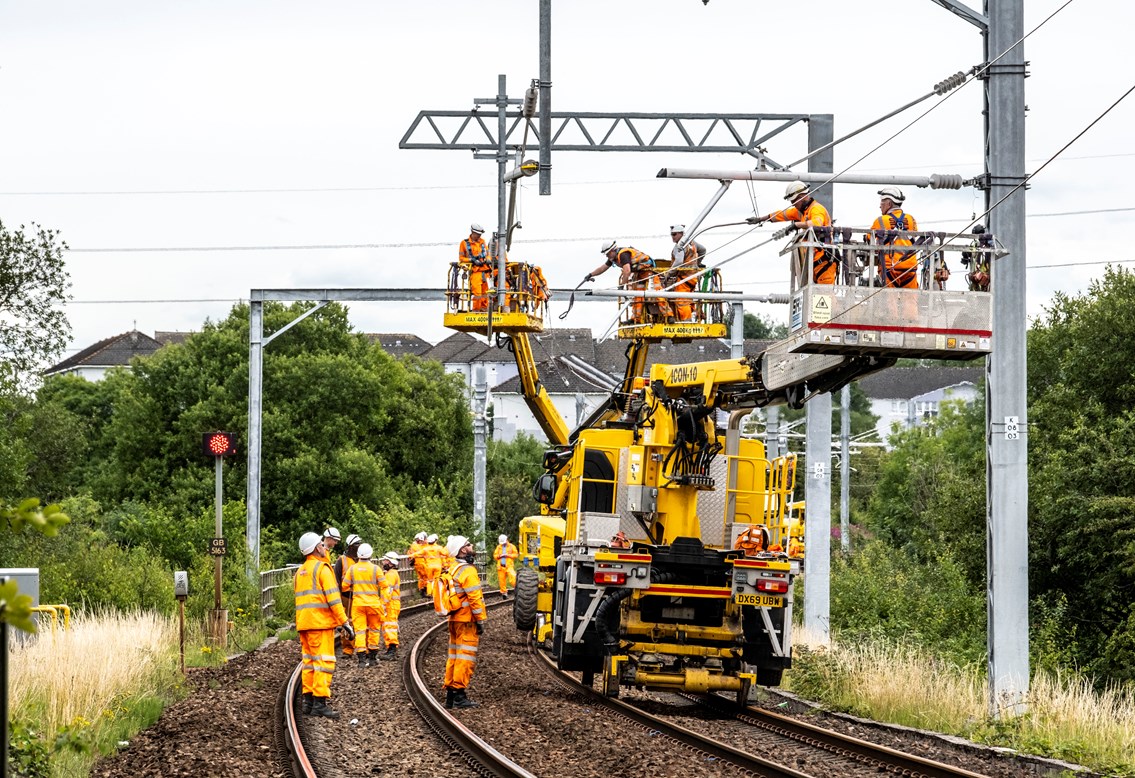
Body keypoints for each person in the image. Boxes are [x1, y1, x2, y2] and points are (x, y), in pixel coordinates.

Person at [294, 531, 352, 719]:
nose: (323, 546)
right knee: (323, 663)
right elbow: (334, 600)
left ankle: (308, 702)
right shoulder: (322, 569)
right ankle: (319, 703)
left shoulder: (300, 572)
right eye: (321, 544)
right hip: (320, 624)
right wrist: (345, 622)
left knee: (309, 663)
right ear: (317, 547)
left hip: (304, 624)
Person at [748, 182, 836, 285]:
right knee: (816, 297)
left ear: (802, 197)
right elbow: (782, 214)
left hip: (824, 262)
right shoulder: (802, 212)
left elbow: (817, 223)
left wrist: (796, 225)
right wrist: (761, 219)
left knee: (825, 297)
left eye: (794, 201)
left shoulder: (816, 209)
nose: (793, 204)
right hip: (813, 263)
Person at [441, 535, 486, 709]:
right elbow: (475, 598)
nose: (471, 545)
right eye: (468, 544)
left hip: (454, 619)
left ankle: (451, 694)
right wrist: (480, 619)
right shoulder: (467, 570)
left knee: (454, 656)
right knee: (465, 657)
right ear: (462, 550)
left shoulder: (452, 568)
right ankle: (459, 694)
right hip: (467, 620)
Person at [584, 241, 673, 324]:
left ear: (613, 250)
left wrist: (621, 286)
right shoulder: (614, 257)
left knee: (657, 293)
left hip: (649, 271)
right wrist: (591, 274)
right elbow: (602, 268)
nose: (607, 256)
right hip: (640, 273)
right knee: (638, 296)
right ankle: (636, 319)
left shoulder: (623, 254)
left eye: (608, 254)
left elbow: (627, 271)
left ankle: (669, 316)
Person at [868, 187, 919, 289]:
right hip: (910, 268)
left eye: (882, 202)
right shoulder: (911, 219)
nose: (879, 206)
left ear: (889, 204)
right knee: (911, 302)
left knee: (889, 303)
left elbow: (869, 239)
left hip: (890, 268)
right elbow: (915, 235)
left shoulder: (881, 220)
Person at [342, 543, 383, 668]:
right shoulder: (376, 569)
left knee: (359, 631)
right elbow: (384, 585)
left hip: (358, 605)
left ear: (358, 555)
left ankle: (361, 660)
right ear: (370, 554)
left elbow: (344, 586)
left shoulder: (352, 569)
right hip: (374, 605)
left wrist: (354, 586)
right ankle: (372, 658)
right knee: (374, 630)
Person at [334, 534, 362, 658]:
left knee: (361, 624)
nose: (359, 546)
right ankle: (348, 649)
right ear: (350, 546)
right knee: (348, 623)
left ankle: (363, 649)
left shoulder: (362, 559)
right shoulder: (342, 560)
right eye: (357, 544)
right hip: (346, 598)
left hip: (360, 596)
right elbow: (336, 581)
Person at [667, 224, 703, 322]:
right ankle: (690, 318)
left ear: (682, 234)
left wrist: (669, 273)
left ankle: (686, 322)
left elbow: (678, 261)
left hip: (684, 277)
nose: (672, 237)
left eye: (674, 234)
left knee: (681, 301)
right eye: (671, 235)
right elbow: (703, 250)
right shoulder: (692, 243)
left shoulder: (680, 246)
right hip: (693, 277)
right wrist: (696, 265)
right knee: (688, 299)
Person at [458, 223, 492, 312]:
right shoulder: (464, 243)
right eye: (478, 234)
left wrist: (487, 259)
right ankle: (476, 310)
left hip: (485, 271)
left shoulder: (482, 242)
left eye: (480, 234)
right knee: (477, 292)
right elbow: (461, 259)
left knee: (486, 292)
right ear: (472, 232)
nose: (479, 236)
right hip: (475, 271)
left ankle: (484, 310)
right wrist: (471, 260)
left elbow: (488, 254)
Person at [378, 551, 402, 660]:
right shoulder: (391, 574)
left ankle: (392, 650)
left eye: (386, 560)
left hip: (390, 605)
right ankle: (390, 648)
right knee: (389, 626)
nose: (383, 562)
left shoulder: (390, 575)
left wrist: (383, 605)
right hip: (392, 604)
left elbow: (388, 591)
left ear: (391, 562)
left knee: (390, 626)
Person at [961, 224, 991, 292]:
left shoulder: (983, 245)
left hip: (981, 275)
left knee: (980, 290)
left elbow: (981, 256)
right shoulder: (978, 244)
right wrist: (966, 253)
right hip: (978, 274)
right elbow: (974, 254)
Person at [407, 531, 429, 598]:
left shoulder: (414, 546)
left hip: (419, 564)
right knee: (425, 577)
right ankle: (424, 591)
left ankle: (422, 590)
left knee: (421, 578)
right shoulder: (418, 546)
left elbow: (409, 554)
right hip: (421, 564)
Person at [423, 533, 444, 597]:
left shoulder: (425, 549)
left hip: (429, 567)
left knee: (429, 580)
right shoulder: (439, 548)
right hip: (437, 566)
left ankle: (429, 593)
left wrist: (410, 555)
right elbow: (445, 554)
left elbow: (418, 554)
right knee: (436, 580)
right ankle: (436, 592)